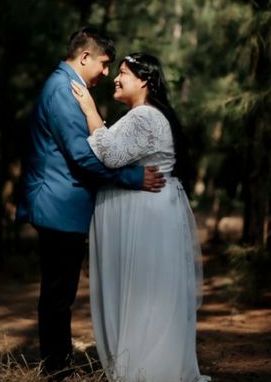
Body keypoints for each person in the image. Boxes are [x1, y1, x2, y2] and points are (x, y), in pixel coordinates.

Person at [17, 28, 166, 379]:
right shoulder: (61, 91)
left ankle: (57, 367)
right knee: (57, 296)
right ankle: (56, 370)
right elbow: (83, 156)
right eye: (103, 64)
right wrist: (134, 178)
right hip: (57, 205)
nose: (105, 73)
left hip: (61, 204)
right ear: (85, 57)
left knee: (60, 293)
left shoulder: (70, 87)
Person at [71, 52, 208, 382]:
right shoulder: (145, 115)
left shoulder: (145, 116)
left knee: (143, 294)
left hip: (146, 219)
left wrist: (90, 111)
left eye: (123, 73)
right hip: (151, 216)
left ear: (144, 80)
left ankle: (145, 369)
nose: (116, 79)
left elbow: (110, 155)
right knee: (145, 293)